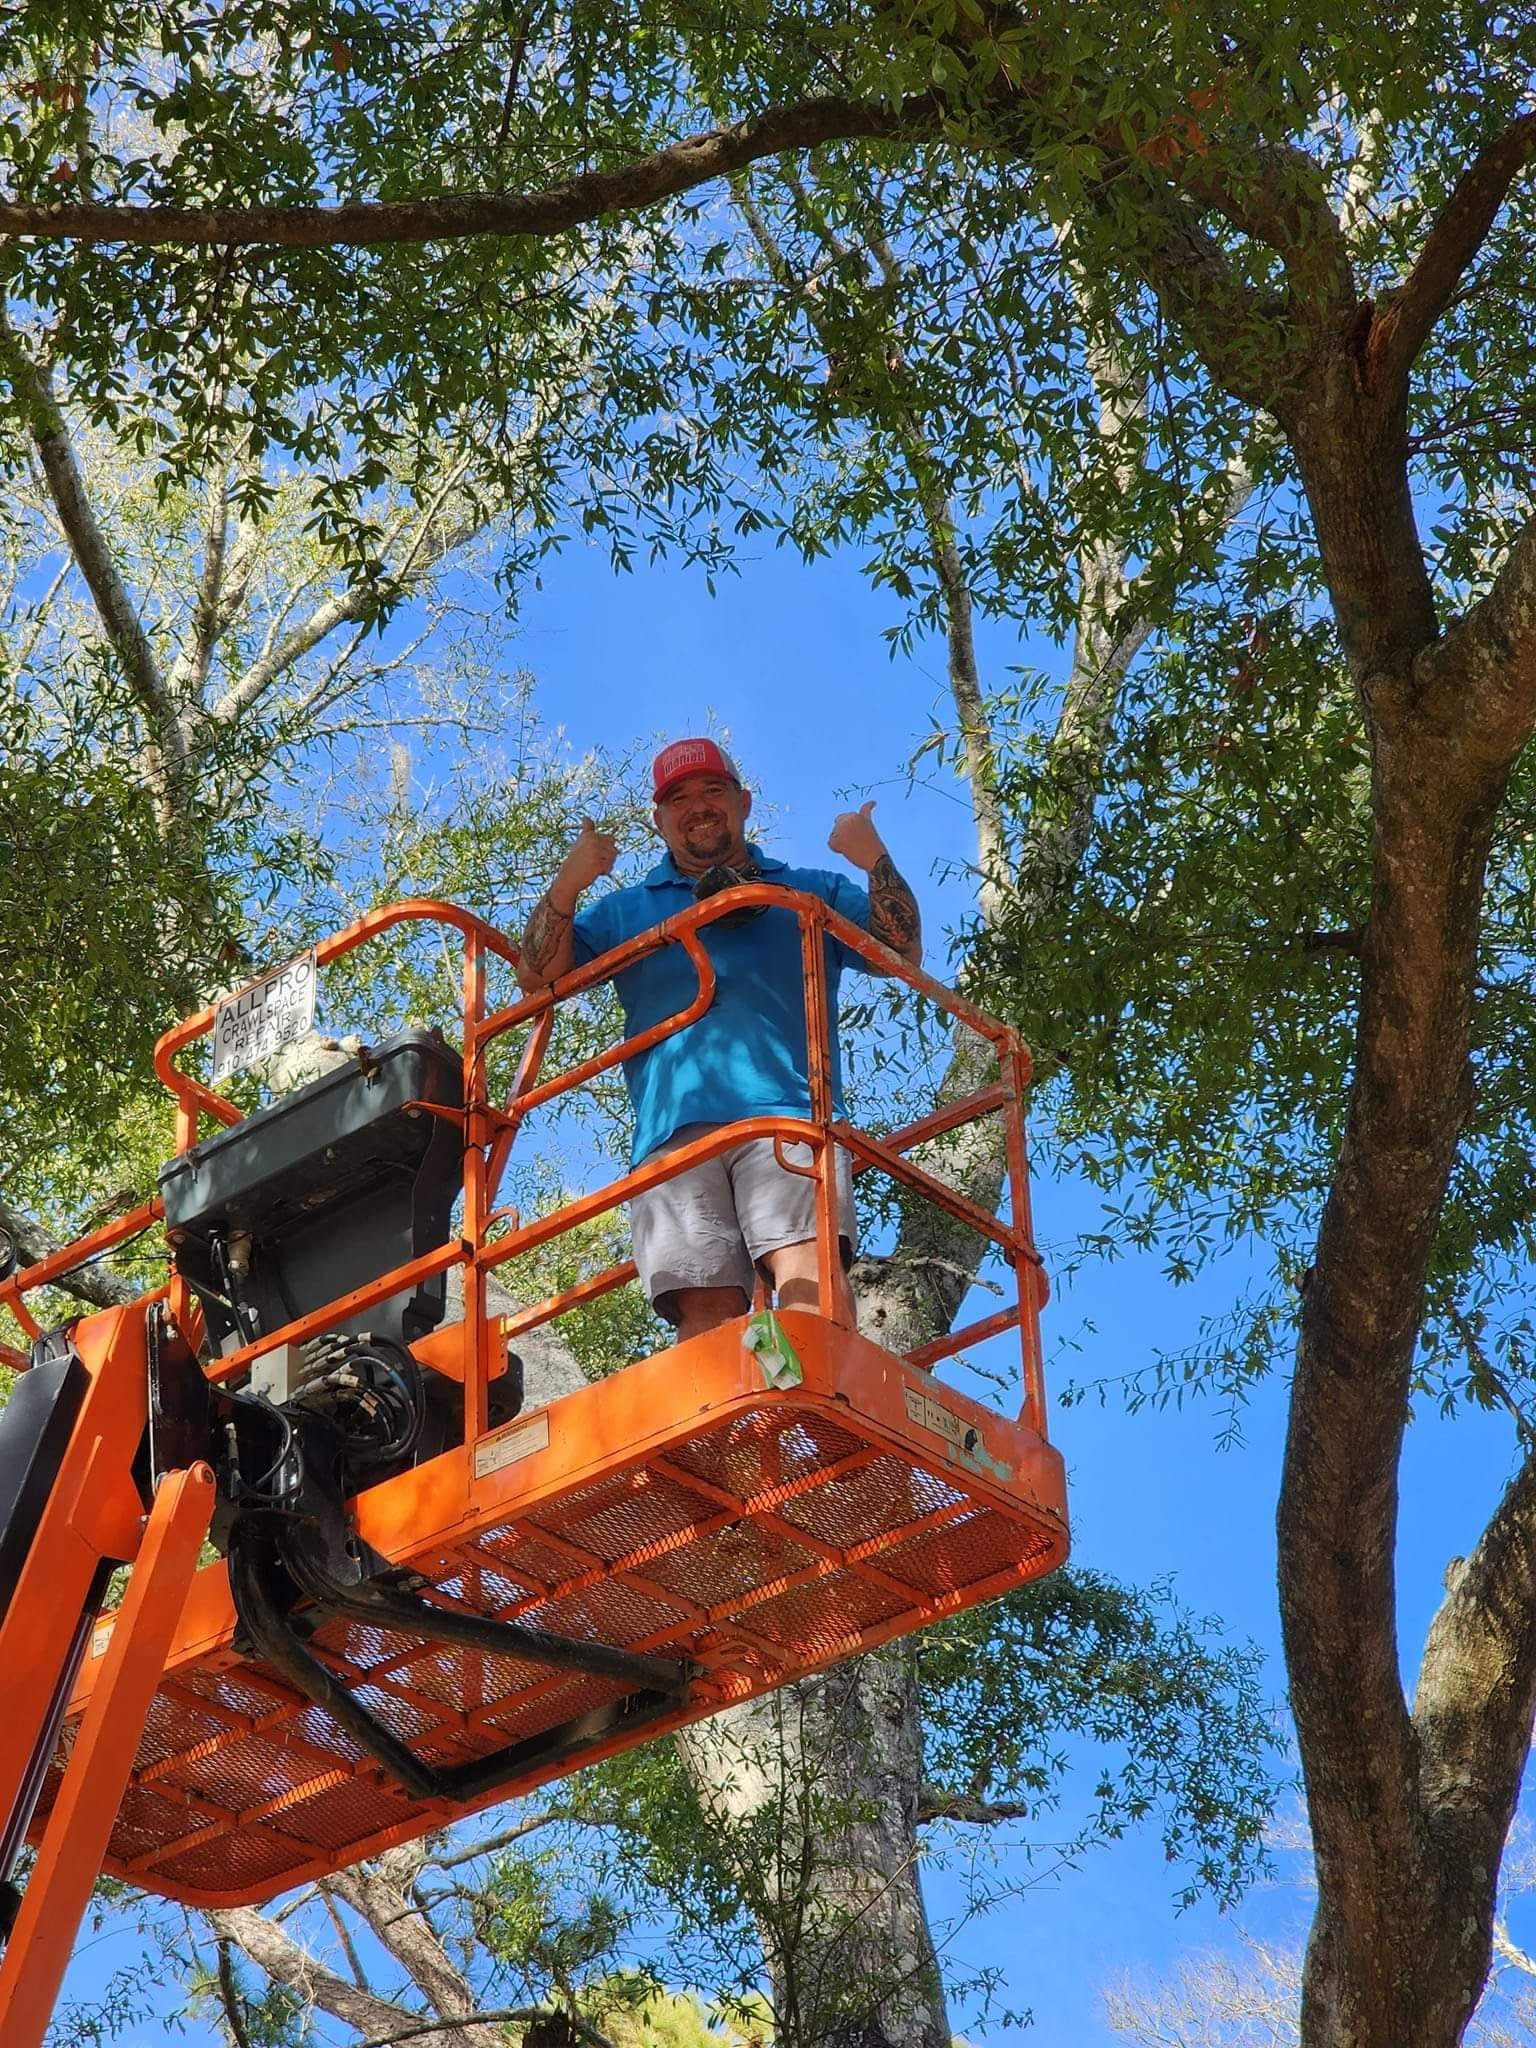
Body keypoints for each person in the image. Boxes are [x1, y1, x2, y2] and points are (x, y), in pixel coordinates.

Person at [516, 738, 923, 1340]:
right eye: (678, 797)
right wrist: (567, 885)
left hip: (788, 1118)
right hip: (673, 1139)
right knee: (702, 1312)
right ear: (659, 820)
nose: (697, 806)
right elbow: (537, 976)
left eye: (713, 789)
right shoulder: (627, 911)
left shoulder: (806, 889)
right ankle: (730, 1437)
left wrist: (874, 859)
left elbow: (901, 951)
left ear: (743, 802)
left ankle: (818, 1402)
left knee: (808, 1274)